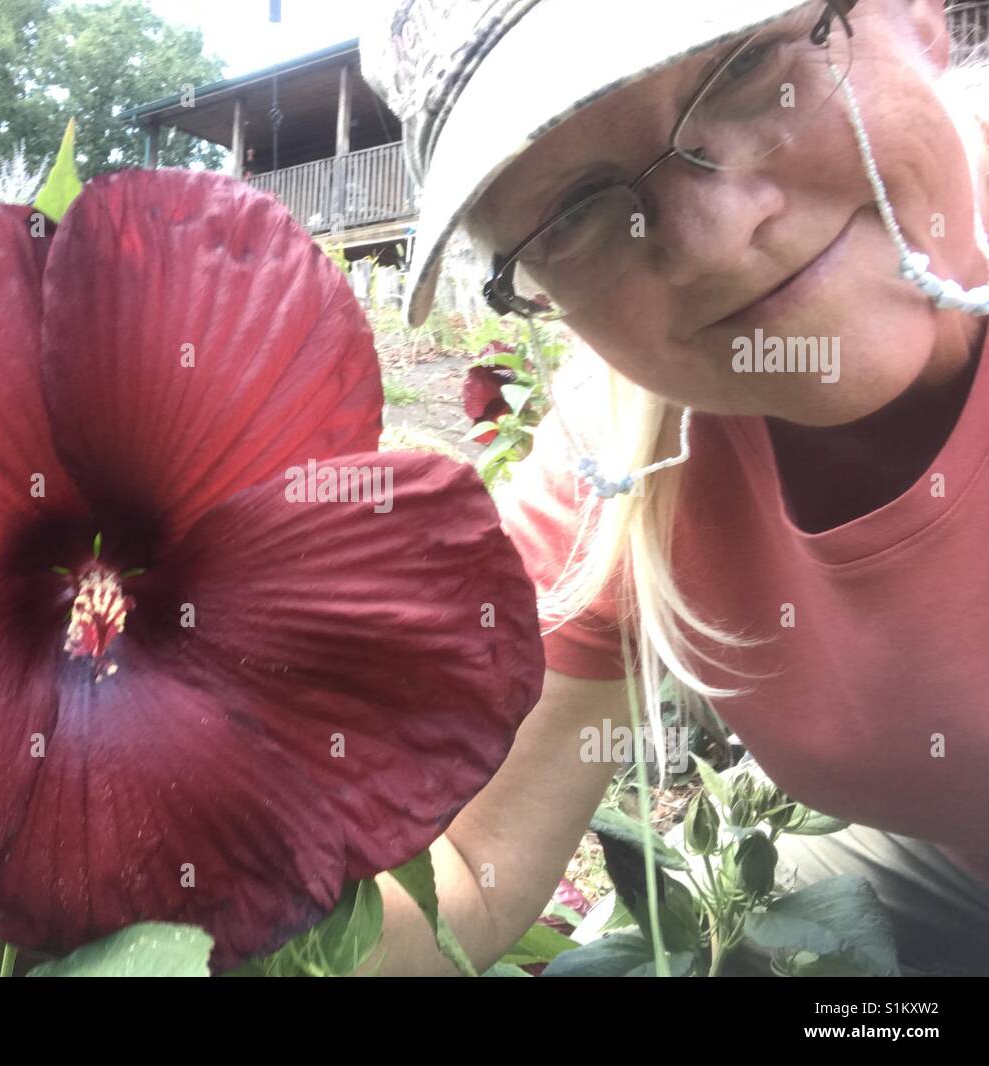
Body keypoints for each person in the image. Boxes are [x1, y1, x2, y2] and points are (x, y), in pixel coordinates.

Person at [358, 0, 989, 976]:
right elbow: (472, 867)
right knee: (721, 949)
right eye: (573, 210)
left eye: (744, 69)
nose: (714, 236)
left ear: (913, 15)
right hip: (950, 869)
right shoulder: (624, 459)